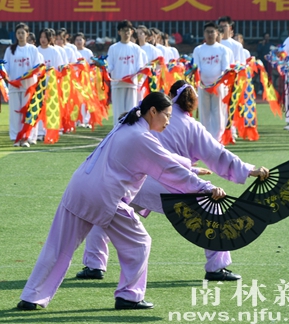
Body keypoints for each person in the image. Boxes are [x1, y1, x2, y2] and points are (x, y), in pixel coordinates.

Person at [17, 92, 224, 311]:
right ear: (153, 112)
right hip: (104, 197)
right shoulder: (141, 137)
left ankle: (31, 297)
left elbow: (162, 157)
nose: (169, 122)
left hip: (79, 187)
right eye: (167, 116)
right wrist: (205, 187)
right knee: (139, 243)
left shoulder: (126, 126)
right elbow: (167, 168)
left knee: (56, 247)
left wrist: (190, 168)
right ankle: (129, 296)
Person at [77, 81, 270, 283]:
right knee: (214, 212)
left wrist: (191, 169)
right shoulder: (192, 125)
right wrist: (248, 170)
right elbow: (217, 154)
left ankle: (94, 264)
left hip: (137, 181)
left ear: (169, 95)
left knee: (108, 212)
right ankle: (217, 267)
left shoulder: (145, 117)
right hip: (171, 182)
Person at [193, 22, 233, 141]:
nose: (210, 34)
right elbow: (196, 67)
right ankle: (205, 138)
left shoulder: (222, 49)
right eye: (207, 32)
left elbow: (225, 67)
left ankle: (218, 138)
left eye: (212, 32)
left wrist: (229, 73)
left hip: (218, 85)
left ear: (217, 33)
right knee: (204, 112)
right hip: (203, 85)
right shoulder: (199, 49)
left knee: (218, 111)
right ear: (204, 34)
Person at [3, 24, 41, 148]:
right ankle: (16, 138)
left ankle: (27, 137)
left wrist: (27, 76)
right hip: (14, 86)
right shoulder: (10, 50)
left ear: (27, 34)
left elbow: (37, 66)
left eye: (22, 33)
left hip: (29, 86)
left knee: (29, 113)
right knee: (15, 114)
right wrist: (0, 70)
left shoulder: (33, 49)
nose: (20, 35)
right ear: (16, 35)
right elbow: (6, 67)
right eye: (18, 33)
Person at [106, 21, 146, 126]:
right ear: (119, 32)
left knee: (131, 110)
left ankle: (130, 131)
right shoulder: (113, 48)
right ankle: (117, 132)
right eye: (123, 30)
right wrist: (102, 67)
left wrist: (145, 70)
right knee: (118, 111)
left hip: (131, 84)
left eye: (128, 30)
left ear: (132, 32)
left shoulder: (136, 48)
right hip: (117, 84)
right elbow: (110, 66)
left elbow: (139, 67)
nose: (126, 33)